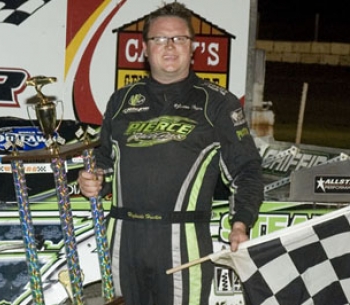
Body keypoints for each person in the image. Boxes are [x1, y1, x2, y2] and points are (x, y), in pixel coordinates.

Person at [77, 2, 263, 304]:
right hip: (124, 239)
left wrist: (241, 223)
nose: (170, 46)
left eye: (179, 39)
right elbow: (104, 164)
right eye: (160, 39)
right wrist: (94, 179)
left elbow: (247, 172)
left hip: (183, 239)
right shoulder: (121, 101)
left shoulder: (218, 104)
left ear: (193, 48)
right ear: (145, 49)